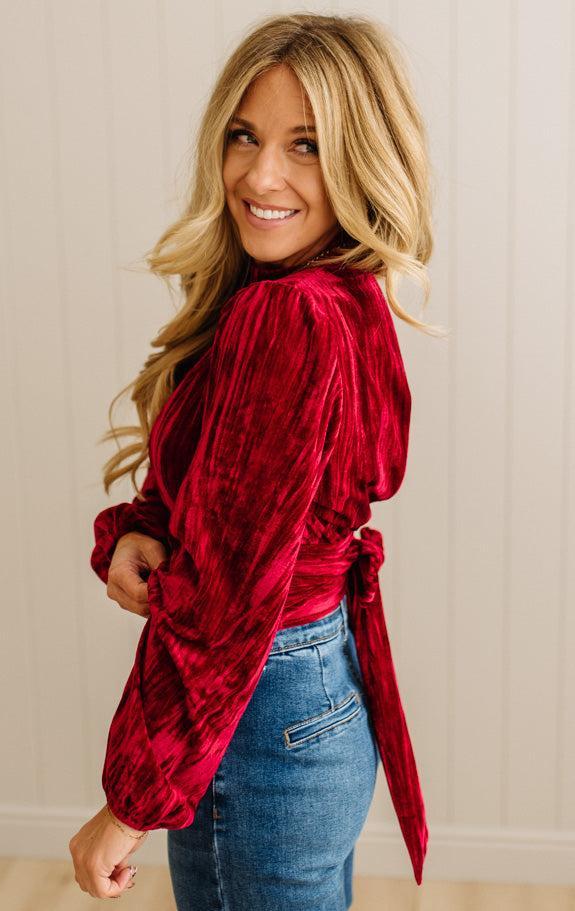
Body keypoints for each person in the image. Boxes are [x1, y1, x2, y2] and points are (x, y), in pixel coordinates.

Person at [69, 12, 444, 908]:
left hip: (263, 700)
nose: (259, 175)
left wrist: (129, 803)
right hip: (313, 688)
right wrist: (145, 527)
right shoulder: (339, 295)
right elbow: (256, 503)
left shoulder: (294, 315)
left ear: (363, 157)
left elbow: (233, 593)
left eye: (305, 145)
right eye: (244, 136)